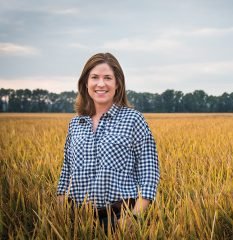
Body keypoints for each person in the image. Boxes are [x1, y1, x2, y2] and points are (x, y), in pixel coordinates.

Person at [56, 52, 160, 233]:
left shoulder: (133, 119)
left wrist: (134, 217)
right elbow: (66, 171)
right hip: (76, 220)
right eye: (94, 77)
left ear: (117, 83)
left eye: (108, 78)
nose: (101, 84)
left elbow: (149, 171)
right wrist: (60, 212)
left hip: (120, 218)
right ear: (85, 83)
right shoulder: (75, 124)